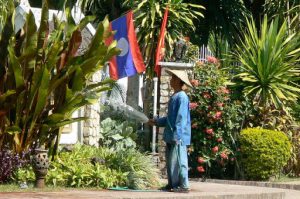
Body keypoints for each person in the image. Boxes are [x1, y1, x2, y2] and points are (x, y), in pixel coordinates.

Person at [148, 69, 192, 193]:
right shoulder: (175, 96)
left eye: (173, 78)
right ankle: (172, 184)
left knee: (179, 160)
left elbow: (181, 118)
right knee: (171, 161)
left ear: (178, 80)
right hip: (171, 135)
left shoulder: (182, 97)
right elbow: (170, 118)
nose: (171, 80)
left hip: (178, 136)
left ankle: (184, 186)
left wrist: (177, 136)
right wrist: (156, 121)